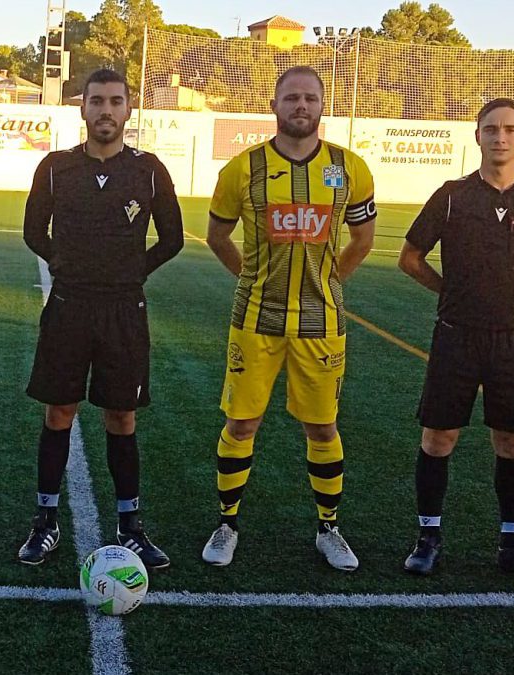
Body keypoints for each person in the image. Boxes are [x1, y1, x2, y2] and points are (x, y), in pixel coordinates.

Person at [398, 98, 514, 585]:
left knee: (512, 440)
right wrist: (449, 292)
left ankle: (512, 543)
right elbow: (410, 257)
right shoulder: (452, 195)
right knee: (439, 438)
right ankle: (428, 539)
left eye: (509, 129)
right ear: (476, 136)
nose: (500, 137)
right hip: (456, 336)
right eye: (490, 129)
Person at [201, 66, 376, 571]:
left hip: (322, 324)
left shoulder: (350, 168)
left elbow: (362, 239)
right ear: (274, 106)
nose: (302, 106)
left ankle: (329, 528)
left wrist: (330, 283)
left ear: (323, 106)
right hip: (255, 319)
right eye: (292, 98)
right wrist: (249, 279)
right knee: (242, 421)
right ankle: (227, 523)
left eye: (311, 98)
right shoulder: (243, 169)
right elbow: (217, 235)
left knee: (323, 427)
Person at [18, 68, 183, 569]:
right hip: (68, 307)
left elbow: (172, 239)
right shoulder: (54, 167)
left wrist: (134, 272)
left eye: (115, 101)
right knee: (58, 412)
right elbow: (32, 231)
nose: (106, 110)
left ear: (128, 109)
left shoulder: (150, 169)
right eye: (96, 101)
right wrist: (61, 262)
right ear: (82, 109)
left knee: (122, 416)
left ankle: (130, 526)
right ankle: (45, 523)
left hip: (124, 312)